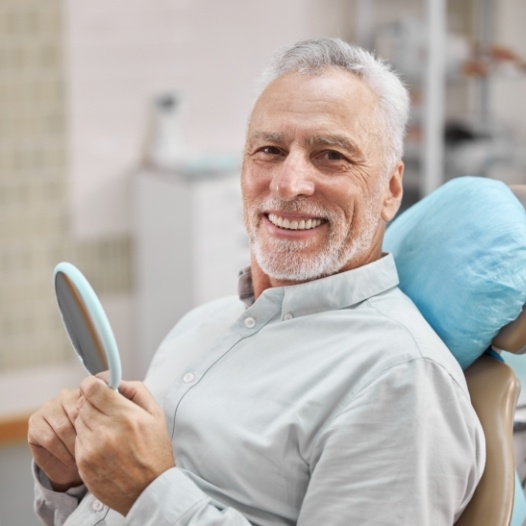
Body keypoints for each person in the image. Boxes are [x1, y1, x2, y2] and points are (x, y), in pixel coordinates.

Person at [28, 37, 485, 525]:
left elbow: (145, 498)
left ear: (391, 189)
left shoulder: (400, 380)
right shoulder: (200, 325)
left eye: (331, 155)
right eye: (269, 150)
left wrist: (150, 492)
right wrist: (71, 481)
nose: (288, 184)